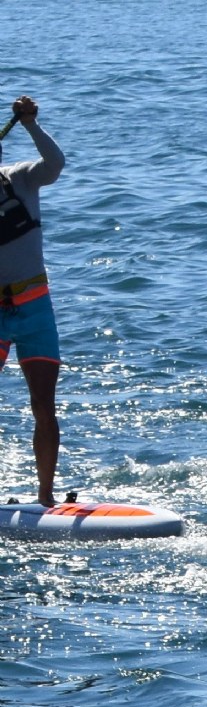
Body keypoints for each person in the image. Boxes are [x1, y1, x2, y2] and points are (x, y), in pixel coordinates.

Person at [0, 94, 67, 503]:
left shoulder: (21, 178)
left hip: (35, 308)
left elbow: (55, 165)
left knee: (43, 405)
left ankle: (46, 496)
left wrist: (29, 124)